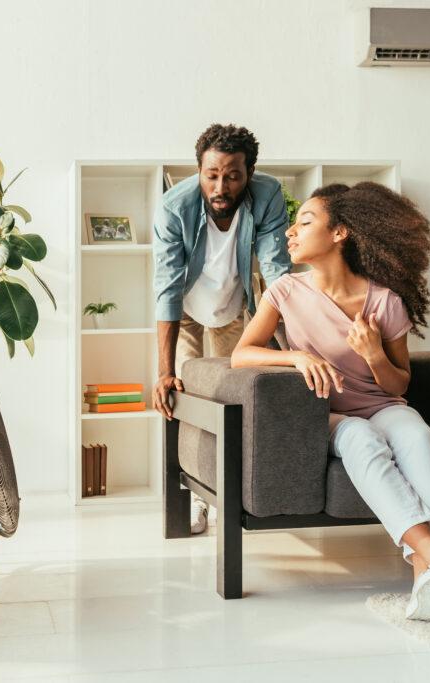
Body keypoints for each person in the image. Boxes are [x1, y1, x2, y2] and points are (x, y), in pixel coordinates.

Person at [230, 182, 430, 622]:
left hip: (381, 405)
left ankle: (424, 579)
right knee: (360, 439)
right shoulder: (284, 292)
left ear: (341, 233)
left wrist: (373, 353)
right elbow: (241, 354)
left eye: (305, 222)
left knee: (417, 436)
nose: (289, 233)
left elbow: (398, 385)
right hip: (332, 415)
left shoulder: (385, 301)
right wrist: (297, 356)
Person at [152, 123, 291, 534]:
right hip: (185, 310)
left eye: (232, 175)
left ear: (249, 173)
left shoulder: (267, 197)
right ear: (199, 170)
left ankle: (227, 490)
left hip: (234, 308)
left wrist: (293, 348)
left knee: (227, 398)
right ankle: (195, 498)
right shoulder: (173, 208)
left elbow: (277, 274)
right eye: (211, 174)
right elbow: (166, 288)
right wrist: (163, 371)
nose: (220, 186)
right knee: (188, 397)